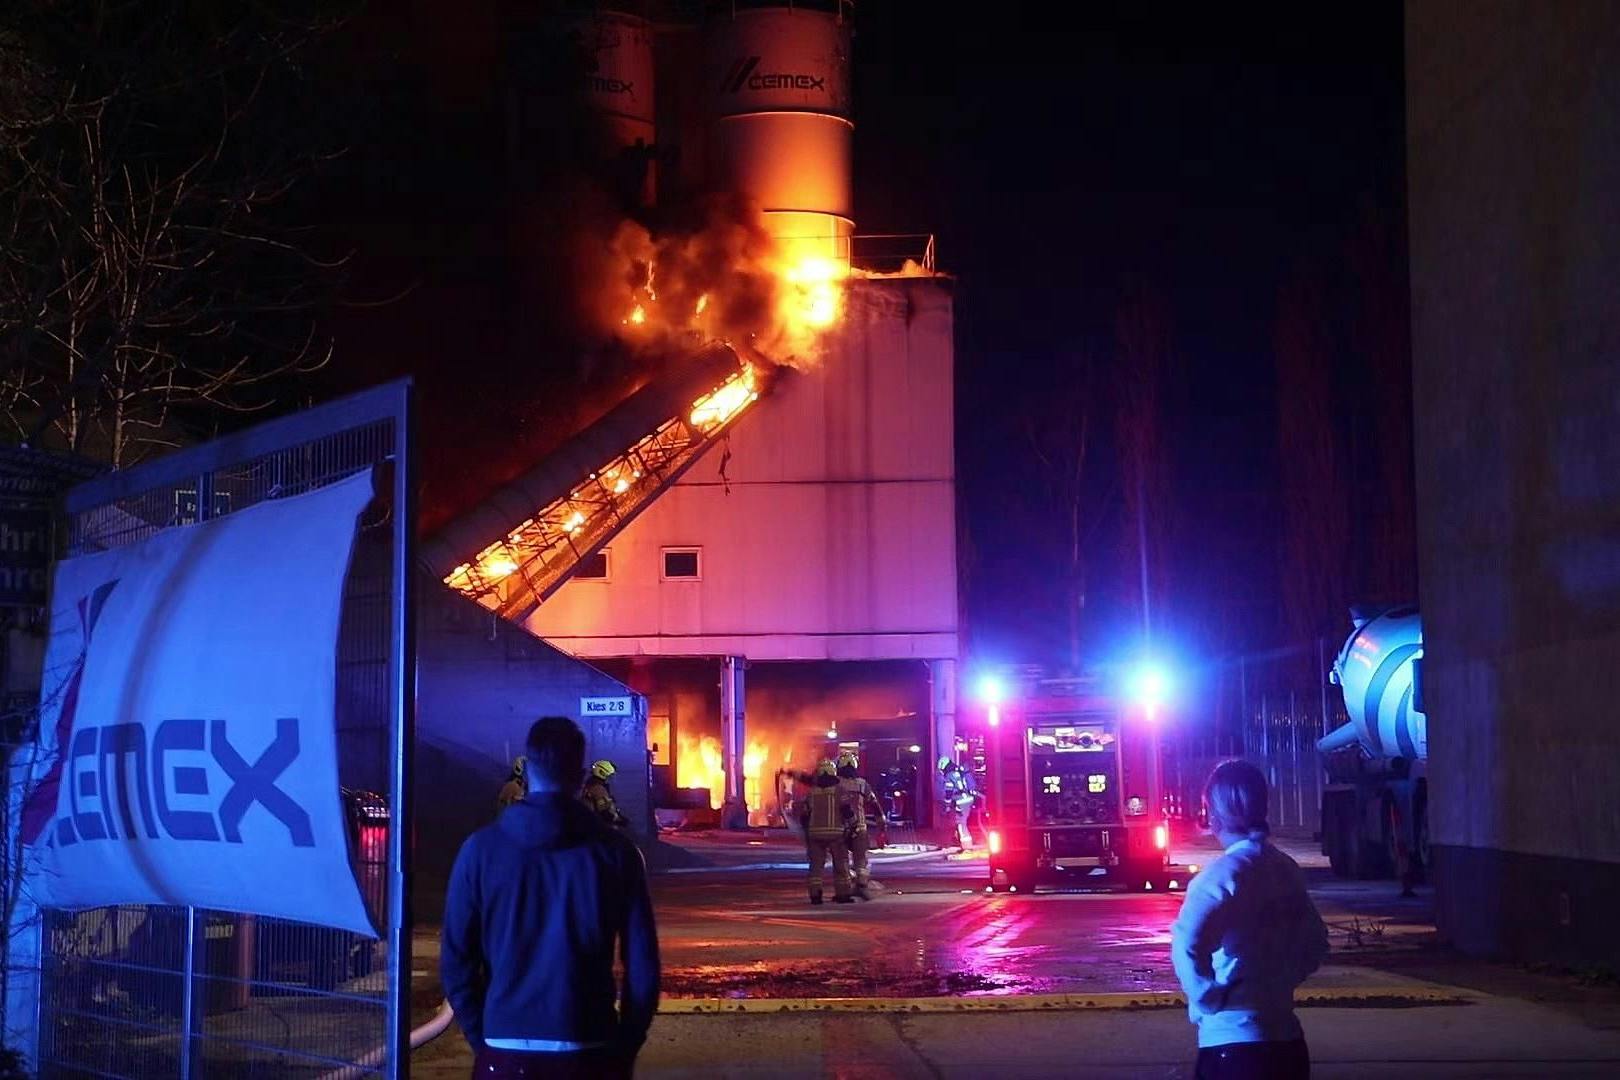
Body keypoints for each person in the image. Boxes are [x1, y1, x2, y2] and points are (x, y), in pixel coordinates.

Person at [443, 716, 660, 1079]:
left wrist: (486, 1041)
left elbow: (456, 962)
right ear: (579, 776)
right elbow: (643, 966)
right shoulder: (618, 854)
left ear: (528, 773)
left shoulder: (478, 851)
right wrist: (623, 1047)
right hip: (591, 1044)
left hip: (504, 1048)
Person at [1171, 759, 1328, 1080]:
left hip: (1233, 1044)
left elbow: (1186, 946)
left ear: (1213, 813)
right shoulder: (1285, 869)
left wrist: (1209, 999)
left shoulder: (1218, 878)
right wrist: (1282, 981)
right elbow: (1316, 944)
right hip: (1287, 1041)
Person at [798, 758, 854, 905]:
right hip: (836, 834)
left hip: (815, 834)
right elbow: (847, 811)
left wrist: (807, 832)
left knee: (816, 866)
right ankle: (843, 894)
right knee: (841, 864)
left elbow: (804, 816)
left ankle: (815, 895)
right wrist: (853, 827)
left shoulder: (811, 793)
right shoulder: (839, 791)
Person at [835, 750, 884, 900]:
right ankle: (861, 887)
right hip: (860, 827)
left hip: (840, 828)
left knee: (841, 860)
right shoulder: (863, 784)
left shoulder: (834, 784)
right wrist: (882, 828)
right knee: (860, 860)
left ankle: (843, 891)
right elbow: (875, 806)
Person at [582, 759, 630, 829]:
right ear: (602, 773)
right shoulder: (598, 789)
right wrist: (621, 821)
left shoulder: (590, 785)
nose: (610, 779)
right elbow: (605, 812)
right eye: (609, 776)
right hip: (600, 829)